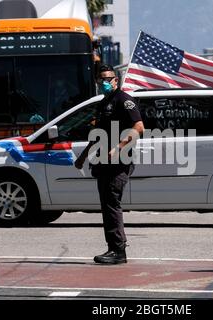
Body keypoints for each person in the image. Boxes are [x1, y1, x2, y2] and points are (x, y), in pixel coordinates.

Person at [75, 64, 145, 264]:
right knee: (107, 204)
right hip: (103, 161)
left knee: (112, 203)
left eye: (108, 79)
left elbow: (139, 127)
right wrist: (83, 156)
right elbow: (98, 134)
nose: (104, 83)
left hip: (119, 162)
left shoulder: (124, 100)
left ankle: (118, 250)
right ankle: (113, 248)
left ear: (116, 80)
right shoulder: (103, 102)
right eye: (101, 80)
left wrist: (119, 147)